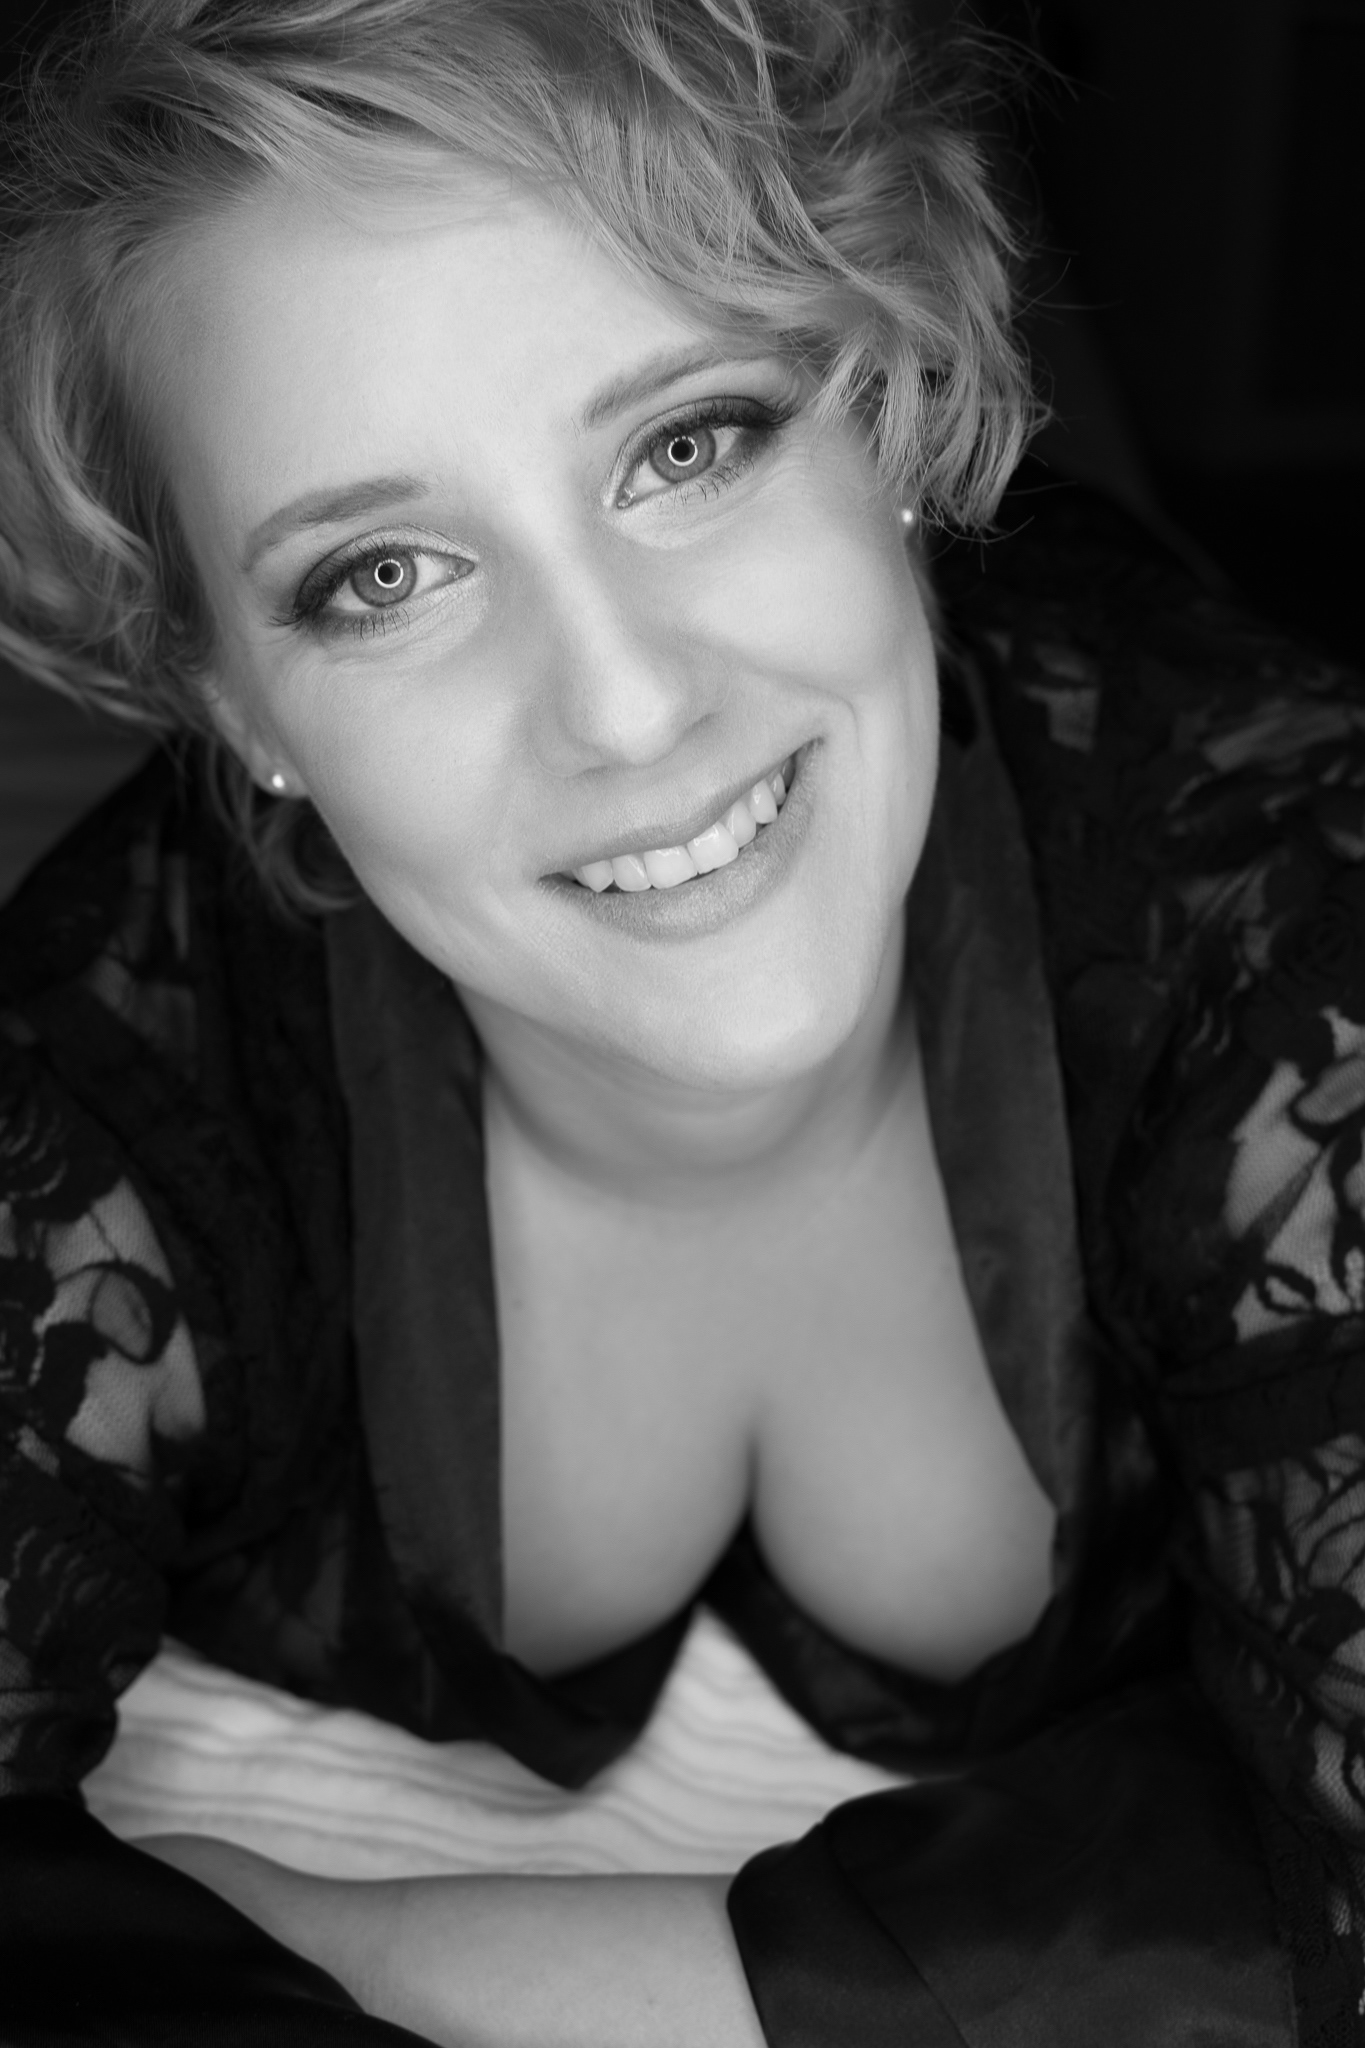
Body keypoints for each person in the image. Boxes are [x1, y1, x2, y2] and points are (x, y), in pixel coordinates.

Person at [1, 0, 1362, 2041]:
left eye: (687, 443)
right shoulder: (102, 1086)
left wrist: (392, 1948)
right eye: (385, 574)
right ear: (232, 699)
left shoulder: (1279, 923)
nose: (627, 708)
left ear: (886, 399)